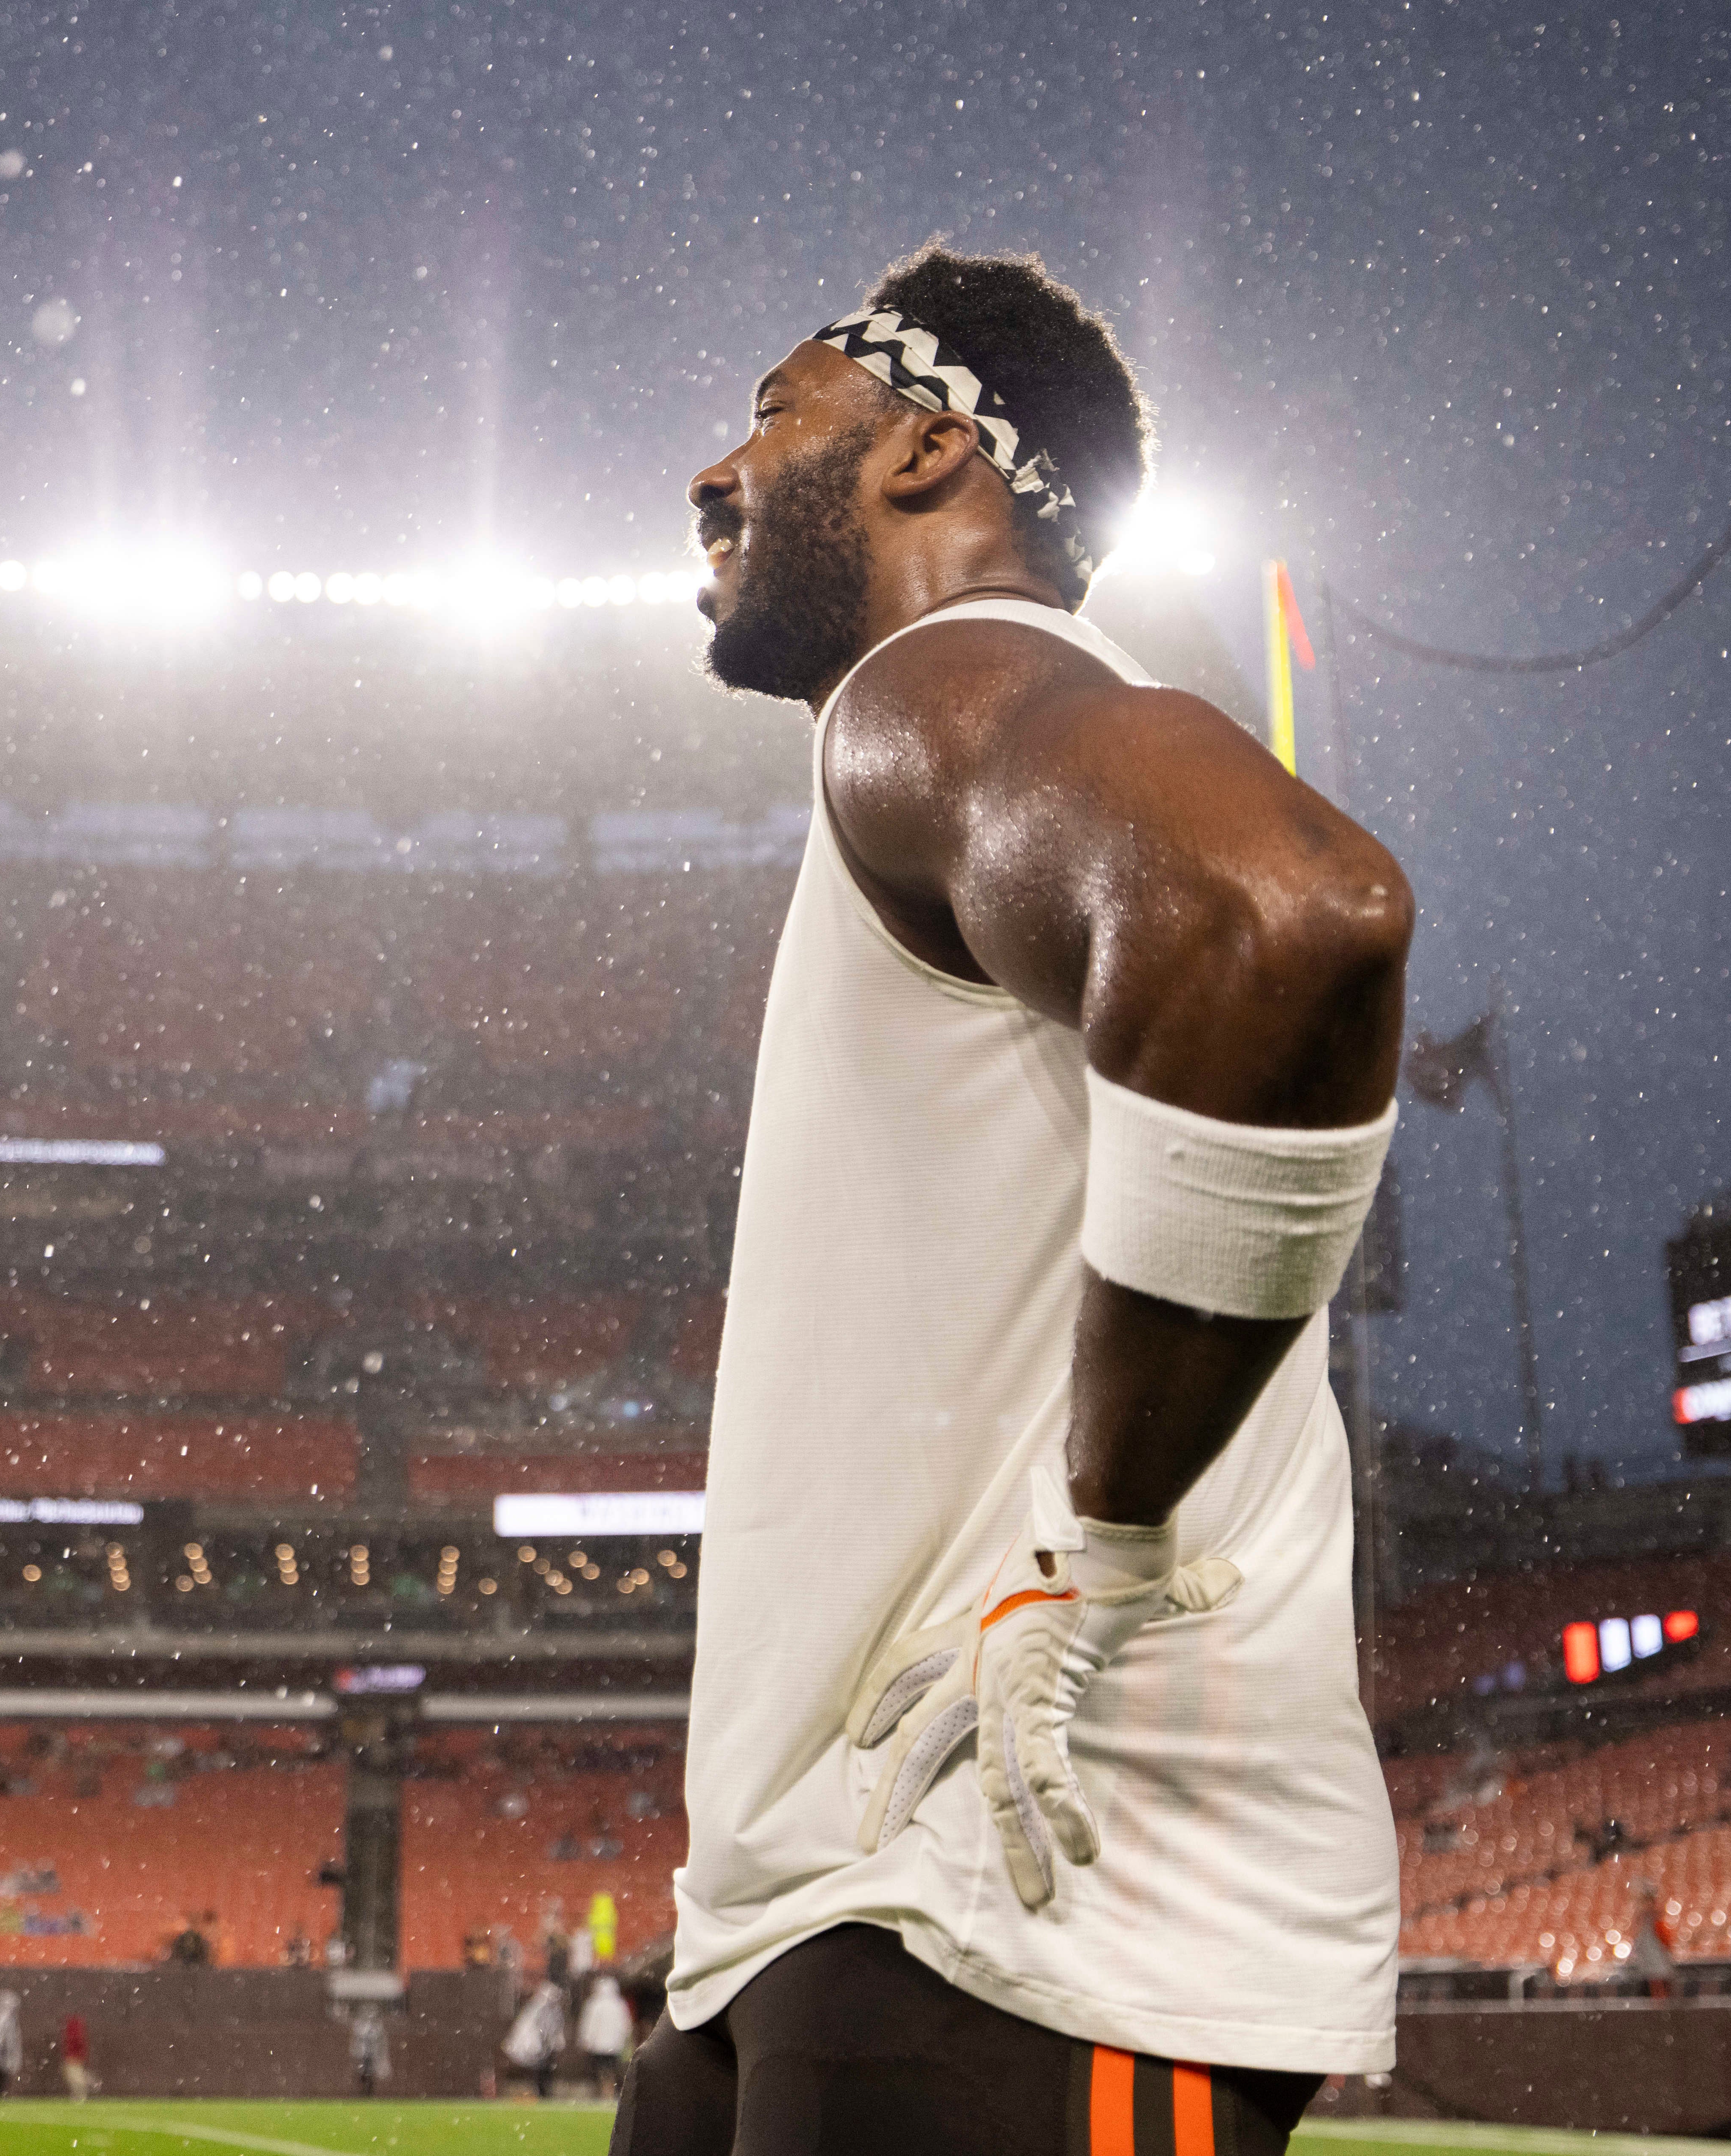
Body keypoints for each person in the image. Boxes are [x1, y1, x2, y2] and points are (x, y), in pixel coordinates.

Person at [628, 242, 1410, 2154]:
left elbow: (1277, 910)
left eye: (775, 411)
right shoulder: (914, 732)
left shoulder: (947, 677)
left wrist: (1112, 1533)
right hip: (843, 1889)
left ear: (920, 454)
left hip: (1028, 1899)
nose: (715, 469)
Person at [505, 1976, 568, 2102]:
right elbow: (539, 2027)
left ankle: (543, 2092)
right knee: (540, 2071)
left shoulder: (545, 2008)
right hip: (539, 2046)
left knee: (544, 2071)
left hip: (544, 2046)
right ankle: (541, 2093)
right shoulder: (539, 2008)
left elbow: (553, 2027)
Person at [580, 1971, 636, 2101]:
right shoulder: (619, 2004)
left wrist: (587, 2040)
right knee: (611, 2070)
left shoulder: (594, 2004)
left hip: (599, 2046)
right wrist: (625, 2040)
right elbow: (626, 2025)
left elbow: (589, 2025)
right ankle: (609, 2092)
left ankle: (605, 2092)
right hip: (614, 2046)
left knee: (602, 2070)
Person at [60, 2010, 91, 2103]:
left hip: (74, 2058)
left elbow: (76, 2042)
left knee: (76, 2078)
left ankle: (80, 2096)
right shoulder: (76, 2027)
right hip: (74, 2057)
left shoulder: (74, 2028)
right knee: (76, 2077)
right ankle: (79, 2096)